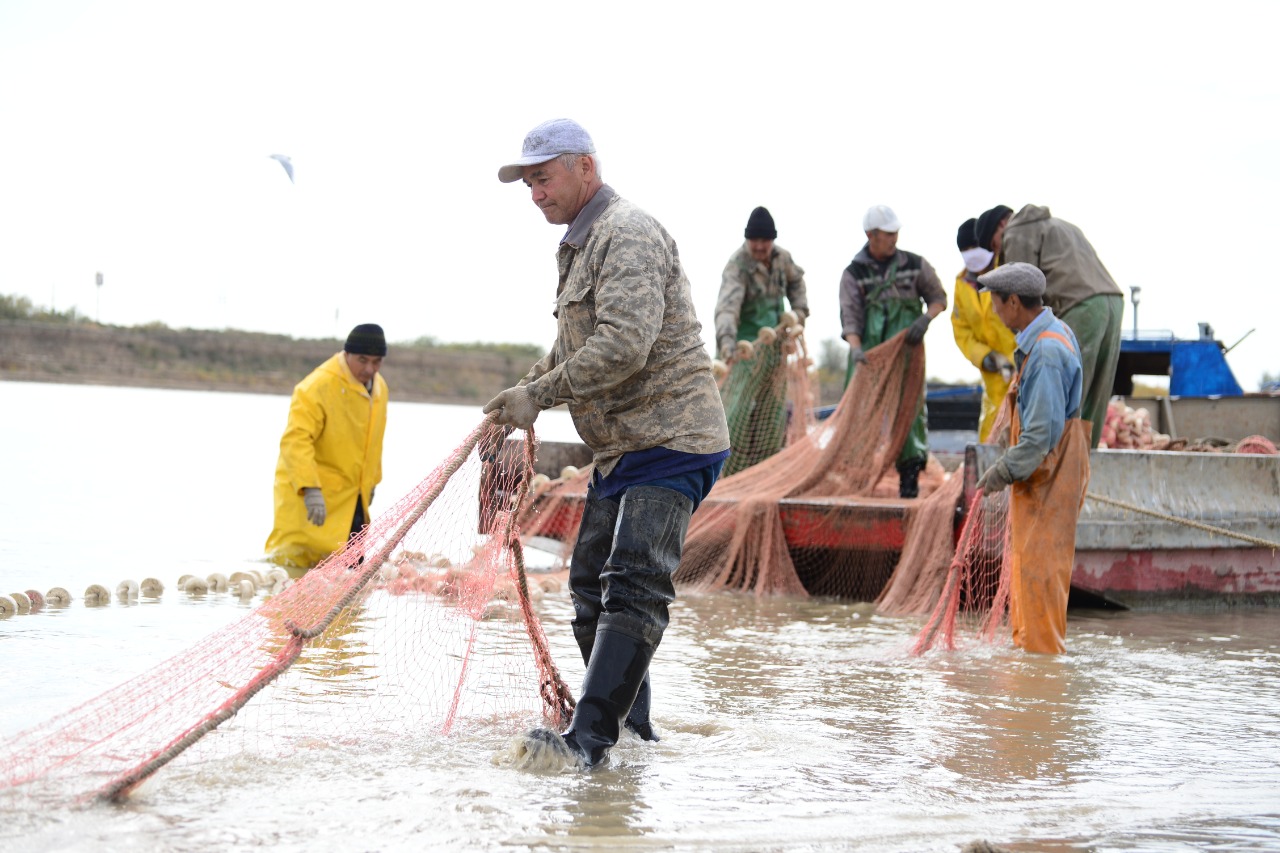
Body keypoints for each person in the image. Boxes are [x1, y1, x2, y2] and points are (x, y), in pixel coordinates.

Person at [486, 118, 730, 769]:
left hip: (673, 438)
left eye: (544, 177)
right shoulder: (577, 246)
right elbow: (572, 348)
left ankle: (590, 739)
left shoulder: (628, 233)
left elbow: (623, 345)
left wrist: (540, 397)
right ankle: (633, 729)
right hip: (621, 447)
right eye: (528, 182)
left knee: (634, 579)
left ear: (585, 168)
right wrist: (523, 391)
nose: (535, 192)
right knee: (589, 581)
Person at [974, 263, 1090, 654]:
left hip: (1049, 478)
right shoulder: (1053, 334)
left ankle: (1042, 695)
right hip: (1048, 478)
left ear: (1013, 301)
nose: (993, 310)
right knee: (1033, 580)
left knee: (1039, 584)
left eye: (995, 301)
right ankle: (1033, 686)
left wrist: (1001, 471)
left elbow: (1040, 437)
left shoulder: (1045, 352)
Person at [974, 203, 1124, 449]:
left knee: (1060, 399)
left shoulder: (1016, 232)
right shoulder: (1063, 226)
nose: (999, 251)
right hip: (1112, 304)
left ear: (1001, 226)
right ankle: (1085, 471)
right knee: (1092, 402)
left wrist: (1027, 350)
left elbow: (1020, 297)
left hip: (1080, 307)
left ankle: (1058, 477)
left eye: (994, 246)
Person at [838, 204, 947, 497]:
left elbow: (938, 297)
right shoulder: (854, 273)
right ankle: (857, 479)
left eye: (896, 232)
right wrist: (857, 349)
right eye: (888, 234)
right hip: (869, 356)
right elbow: (850, 316)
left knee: (908, 413)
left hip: (907, 355)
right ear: (870, 235)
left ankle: (909, 479)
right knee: (861, 413)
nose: (894, 238)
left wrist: (925, 319)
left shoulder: (915, 264)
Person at [264, 324, 388, 569]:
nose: (369, 369)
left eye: (376, 362)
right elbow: (295, 441)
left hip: (354, 499)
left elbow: (374, 440)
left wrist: (372, 482)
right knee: (294, 567)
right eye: (362, 360)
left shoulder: (380, 387)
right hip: (311, 499)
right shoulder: (316, 386)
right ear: (347, 354)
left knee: (349, 572)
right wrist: (310, 489)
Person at [713, 206, 809, 475]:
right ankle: (729, 473)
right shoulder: (738, 265)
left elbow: (797, 283)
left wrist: (799, 312)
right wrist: (728, 343)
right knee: (736, 411)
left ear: (772, 240)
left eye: (765, 241)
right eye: (754, 240)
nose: (759, 246)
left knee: (773, 410)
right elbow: (727, 308)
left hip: (775, 347)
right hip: (745, 350)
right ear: (747, 240)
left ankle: (763, 472)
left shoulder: (782, 258)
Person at [950, 217, 1016, 442]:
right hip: (993, 382)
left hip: (1021, 374)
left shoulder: (1009, 271)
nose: (972, 253)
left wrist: (1012, 360)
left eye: (975, 247)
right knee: (990, 443)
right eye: (966, 249)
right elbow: (962, 332)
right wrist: (986, 357)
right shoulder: (961, 286)